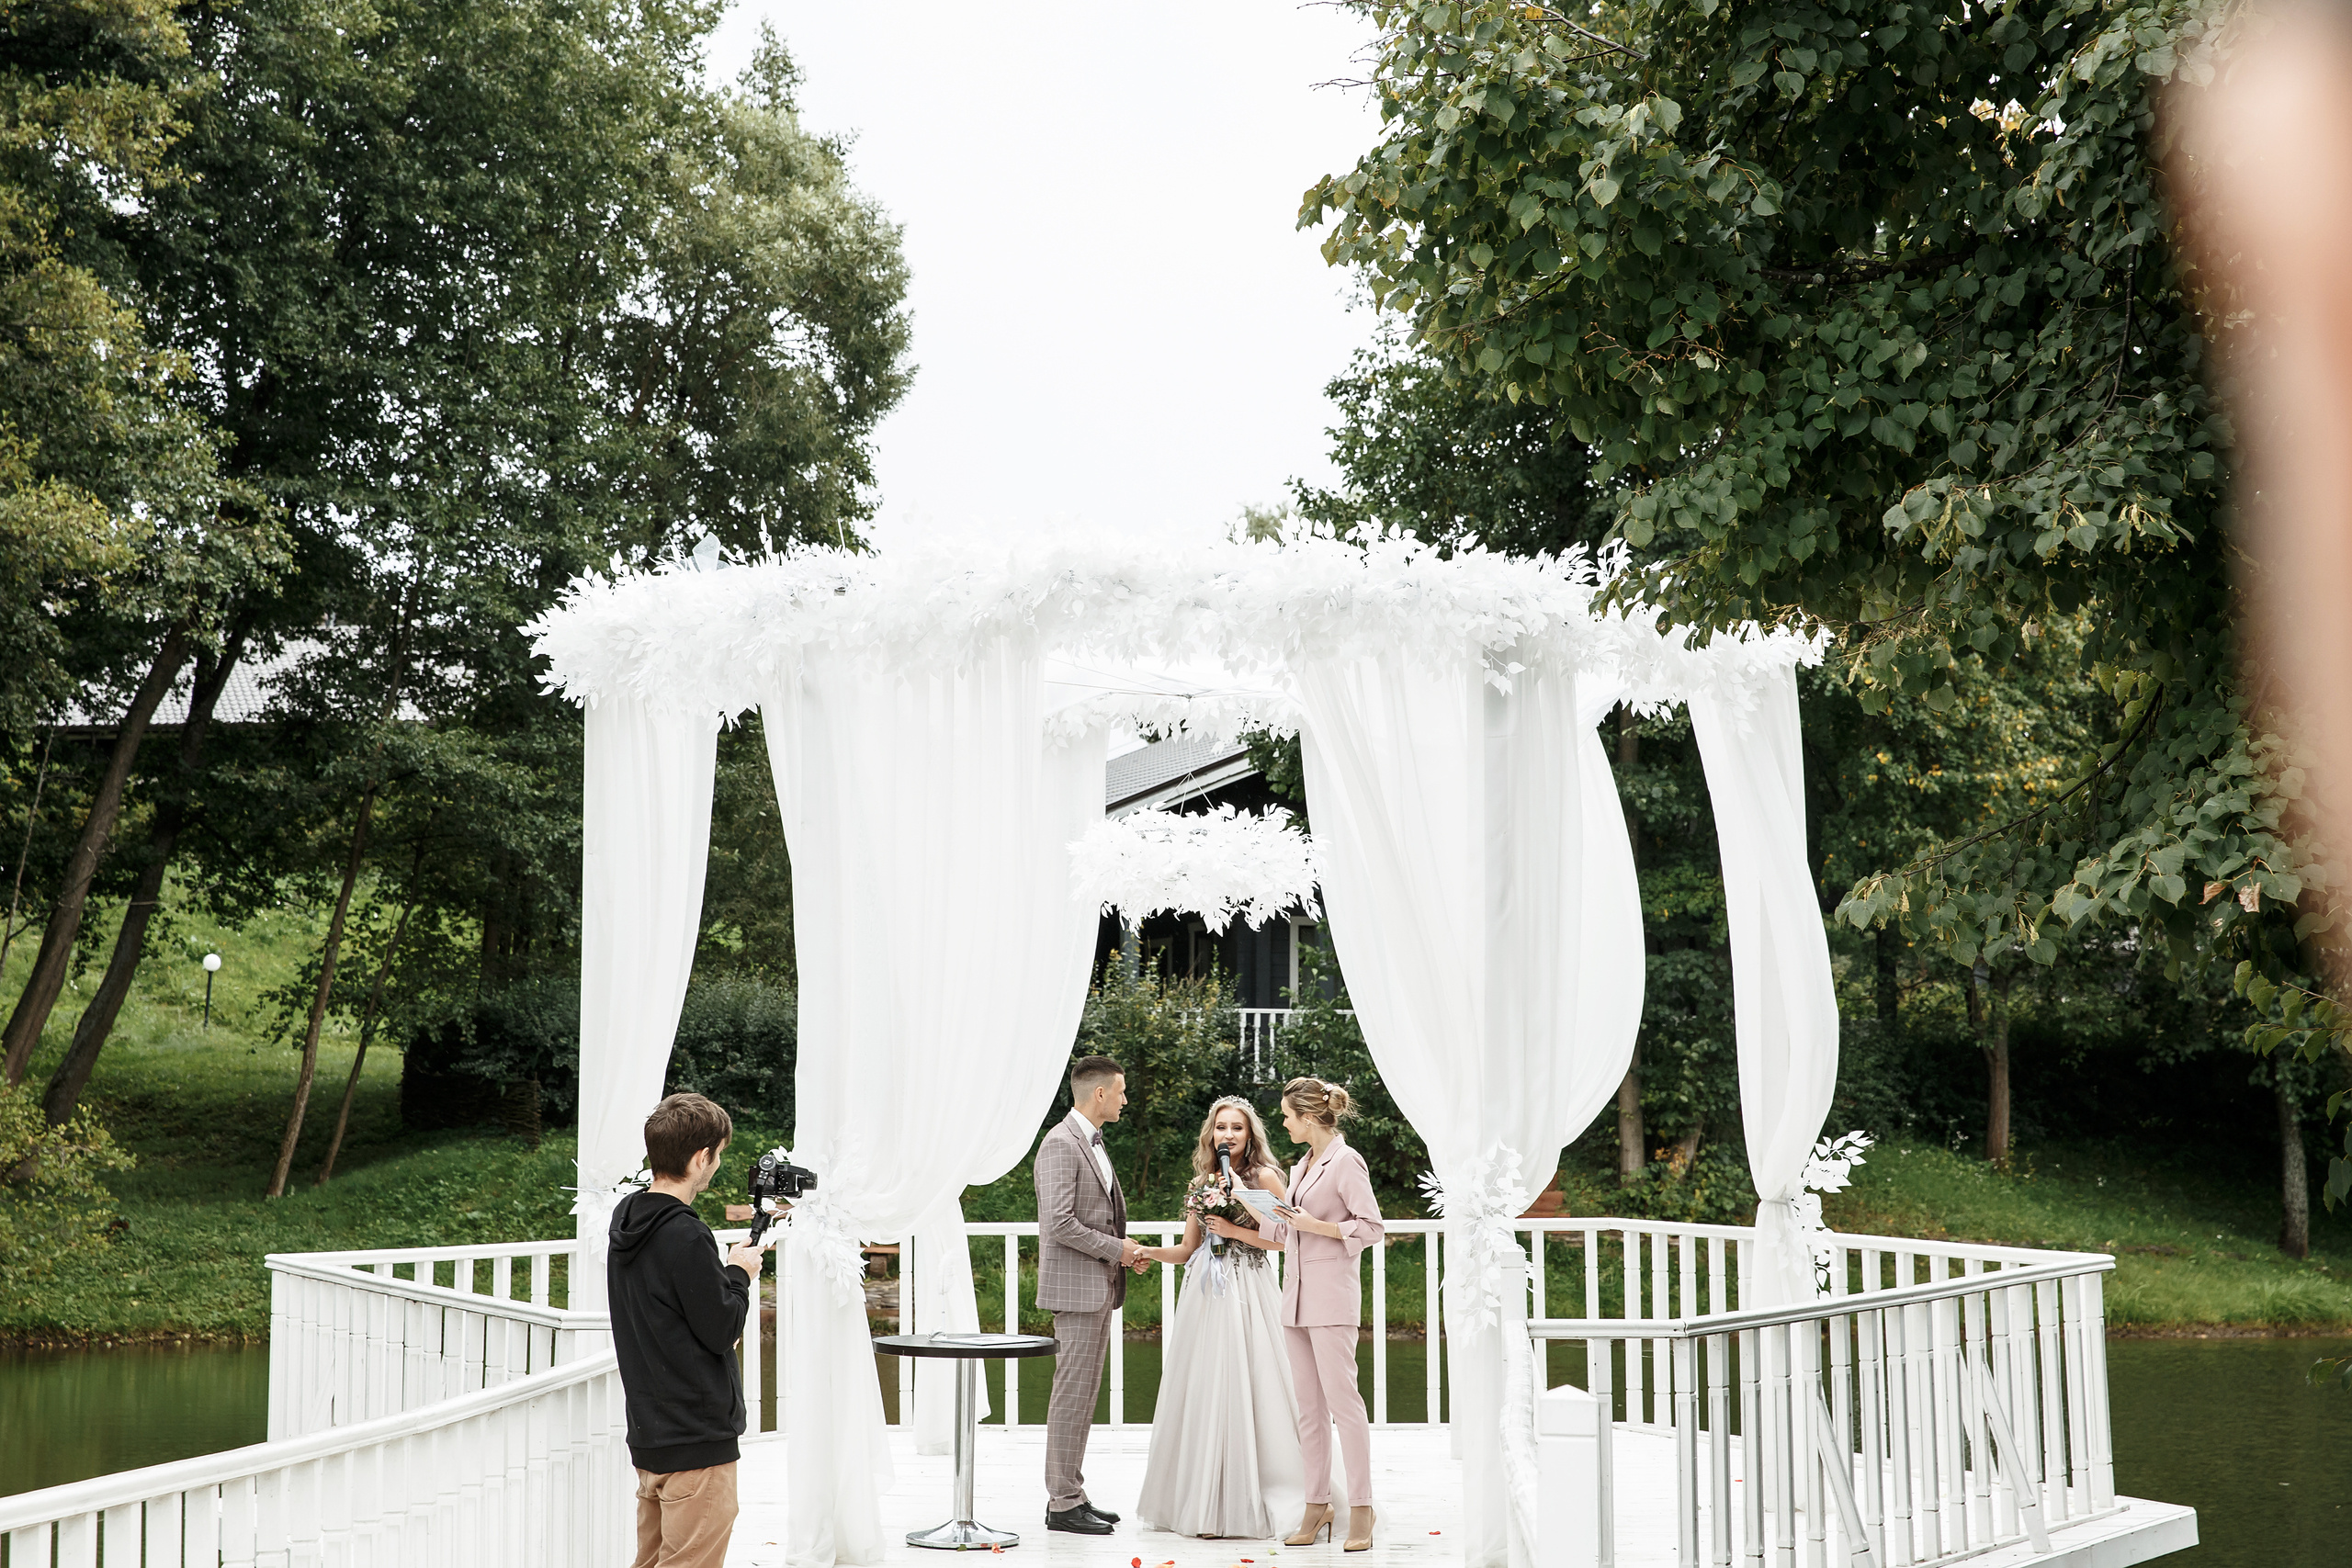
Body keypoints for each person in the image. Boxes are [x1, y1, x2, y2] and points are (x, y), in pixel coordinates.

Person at [1132, 1098, 1306, 1539]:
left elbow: (1288, 1239)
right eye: (1221, 1128)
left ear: (1250, 1135)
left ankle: (1256, 1497)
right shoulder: (1202, 1182)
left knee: (1255, 1381)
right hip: (1205, 1293)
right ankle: (1206, 1504)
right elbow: (1187, 1248)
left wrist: (1234, 1231)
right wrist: (1147, 1252)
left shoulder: (1265, 1177)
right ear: (1211, 1134)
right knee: (1207, 1385)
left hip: (1248, 1289)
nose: (1228, 1135)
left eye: (1238, 1128)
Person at [607, 1092, 766, 1568]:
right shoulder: (686, 1234)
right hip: (696, 1442)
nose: (715, 1165)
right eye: (717, 1156)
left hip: (651, 1435)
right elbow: (722, 1330)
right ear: (702, 1157)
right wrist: (739, 1272)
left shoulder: (627, 1218)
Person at [1034, 1054, 1152, 1534]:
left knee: (1083, 1396)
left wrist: (1119, 1254)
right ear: (1099, 1093)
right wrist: (1118, 1251)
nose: (1126, 1099)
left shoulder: (1092, 1143)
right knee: (1070, 1396)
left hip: (1098, 1287)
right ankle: (1061, 1504)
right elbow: (1059, 1223)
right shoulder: (1061, 1144)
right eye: (1121, 1091)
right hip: (1078, 1290)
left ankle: (1072, 1494)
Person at [1272, 1077, 1385, 1553]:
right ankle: (1316, 1505)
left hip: (1332, 1298)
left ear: (1309, 1117)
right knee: (1309, 1412)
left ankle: (1362, 1507)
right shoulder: (1302, 1164)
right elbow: (1288, 1233)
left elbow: (1373, 1227)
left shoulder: (1346, 1161)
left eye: (1286, 1115)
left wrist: (1315, 1225)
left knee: (1345, 1405)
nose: (1282, 1122)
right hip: (1295, 1298)